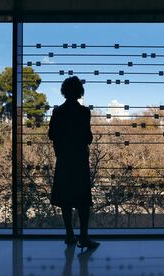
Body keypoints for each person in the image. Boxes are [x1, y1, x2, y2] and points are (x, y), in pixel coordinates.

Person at [48, 76, 100, 250]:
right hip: (79, 160)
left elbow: (51, 135)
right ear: (79, 92)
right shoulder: (84, 112)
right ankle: (83, 237)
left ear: (64, 91)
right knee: (83, 200)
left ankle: (69, 235)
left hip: (63, 159)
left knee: (66, 199)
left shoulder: (57, 112)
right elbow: (88, 138)